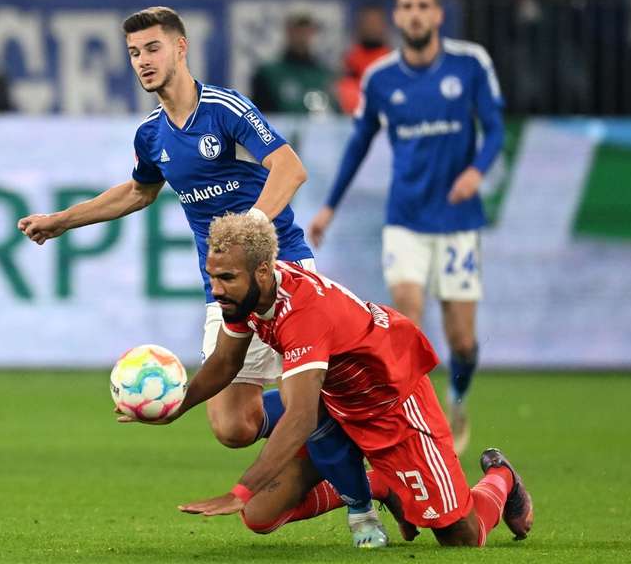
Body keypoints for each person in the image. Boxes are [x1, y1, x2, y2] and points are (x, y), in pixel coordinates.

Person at [17, 6, 385, 548]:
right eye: (135, 53)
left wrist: (252, 231)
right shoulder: (152, 135)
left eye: (153, 49)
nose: (143, 61)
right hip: (228, 293)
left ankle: (361, 511)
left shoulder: (225, 110)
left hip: (283, 275)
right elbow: (138, 191)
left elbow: (290, 167)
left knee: (302, 399)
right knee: (233, 426)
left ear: (181, 48)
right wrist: (61, 221)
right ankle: (331, 410)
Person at [138, 212, 533, 548]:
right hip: (339, 401)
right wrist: (176, 406)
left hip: (392, 403)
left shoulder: (304, 313)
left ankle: (502, 478)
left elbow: (301, 418)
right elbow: (225, 362)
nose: (217, 289)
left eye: (225, 278)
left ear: (262, 270)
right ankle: (377, 483)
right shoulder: (245, 294)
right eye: (213, 277)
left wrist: (238, 490)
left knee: (460, 535)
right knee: (259, 516)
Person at [307, 0, 505, 454]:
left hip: (458, 223)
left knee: (461, 340)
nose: (415, 14)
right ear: (397, 17)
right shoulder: (381, 79)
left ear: (437, 15)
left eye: (423, 6)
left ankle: (457, 397)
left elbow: (495, 127)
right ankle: (416, 422)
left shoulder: (471, 63)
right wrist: (329, 207)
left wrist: (478, 170)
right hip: (405, 221)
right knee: (407, 319)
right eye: (407, 6)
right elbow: (358, 146)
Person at [250, 12, 336, 114]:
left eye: (307, 30)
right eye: (297, 30)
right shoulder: (269, 73)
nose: (302, 36)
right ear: (288, 32)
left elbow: (335, 115)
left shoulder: (324, 74)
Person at [335, 4, 392, 115]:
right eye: (367, 22)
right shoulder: (348, 60)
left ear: (384, 26)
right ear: (359, 26)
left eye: (375, 22)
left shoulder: (392, 60)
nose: (371, 27)